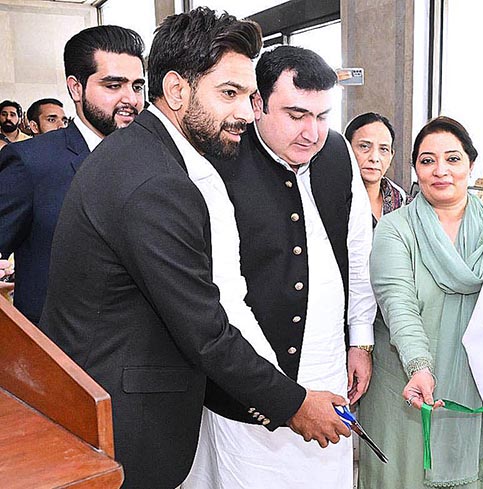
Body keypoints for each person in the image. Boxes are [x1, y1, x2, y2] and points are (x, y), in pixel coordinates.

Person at [40, 9, 349, 488]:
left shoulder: (153, 155)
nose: (246, 113)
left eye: (249, 96)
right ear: (178, 90)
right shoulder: (155, 180)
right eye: (229, 94)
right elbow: (204, 330)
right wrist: (294, 403)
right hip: (122, 425)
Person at [184, 45, 376, 489]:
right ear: (257, 104)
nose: (312, 132)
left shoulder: (337, 152)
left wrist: (360, 340)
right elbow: (220, 297)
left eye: (323, 115)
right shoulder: (220, 163)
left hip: (330, 366)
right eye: (295, 115)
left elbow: (358, 251)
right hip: (248, 380)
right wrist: (279, 393)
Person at [358, 116, 483, 489]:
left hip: (480, 384)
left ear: (470, 165)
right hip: (406, 383)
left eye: (453, 159)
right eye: (427, 160)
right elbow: (399, 306)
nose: (440, 170)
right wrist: (419, 366)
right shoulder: (395, 229)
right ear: (414, 168)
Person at [0, 26, 145, 325]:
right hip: (56, 355)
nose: (130, 98)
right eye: (113, 85)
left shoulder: (153, 158)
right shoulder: (31, 162)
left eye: (137, 86)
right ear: (76, 88)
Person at [345, 112, 407, 225]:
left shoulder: (403, 203)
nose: (374, 158)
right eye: (364, 146)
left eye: (383, 149)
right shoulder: (330, 200)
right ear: (346, 149)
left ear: (391, 156)